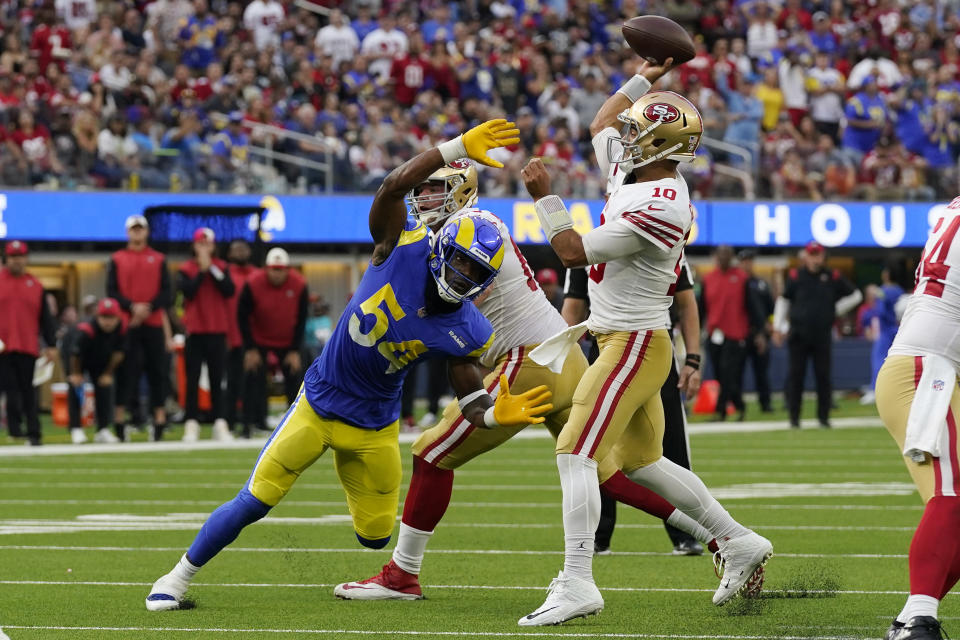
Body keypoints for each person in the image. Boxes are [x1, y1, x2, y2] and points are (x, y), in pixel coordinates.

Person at [144, 119, 553, 611]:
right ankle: (173, 580)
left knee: (376, 539)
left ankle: (355, 494)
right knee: (255, 500)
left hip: (376, 427)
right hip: (318, 404)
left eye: (476, 271)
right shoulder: (398, 248)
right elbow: (391, 186)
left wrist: (490, 414)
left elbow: (466, 386)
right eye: (460, 262)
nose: (464, 276)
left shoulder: (469, 327)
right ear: (442, 249)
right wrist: (457, 147)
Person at [334, 116, 721, 603]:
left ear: (457, 192)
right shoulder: (462, 227)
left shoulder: (468, 227)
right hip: (561, 354)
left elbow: (444, 311)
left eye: (433, 191)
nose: (422, 199)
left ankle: (402, 574)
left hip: (529, 360)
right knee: (610, 475)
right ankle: (720, 538)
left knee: (431, 453)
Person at [516, 69, 771, 625]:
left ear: (660, 145)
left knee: (575, 452)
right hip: (625, 340)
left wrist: (545, 197)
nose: (621, 138)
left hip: (633, 343)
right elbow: (603, 122)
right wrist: (645, 74)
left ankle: (578, 581)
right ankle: (738, 540)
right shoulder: (638, 171)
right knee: (644, 462)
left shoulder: (663, 202)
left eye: (637, 132)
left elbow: (572, 251)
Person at [567, 259, 707, 556]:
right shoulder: (591, 247)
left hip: (653, 343)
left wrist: (692, 359)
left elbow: (686, 303)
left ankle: (689, 531)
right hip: (606, 345)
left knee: (671, 446)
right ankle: (597, 533)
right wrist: (561, 362)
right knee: (593, 446)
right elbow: (573, 308)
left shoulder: (660, 238)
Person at [874, 195, 960, 640]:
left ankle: (911, 617)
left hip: (934, 368)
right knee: (952, 496)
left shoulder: (951, 210)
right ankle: (920, 622)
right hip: (927, 372)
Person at [773, 241, 861, 428]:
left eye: (818, 254)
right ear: (806, 256)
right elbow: (784, 300)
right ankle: (794, 418)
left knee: (823, 376)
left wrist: (834, 310)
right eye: (812, 255)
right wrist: (778, 327)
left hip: (821, 334)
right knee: (796, 376)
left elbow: (856, 295)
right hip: (798, 334)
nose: (815, 258)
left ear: (823, 256)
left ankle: (823, 417)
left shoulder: (832, 276)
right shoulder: (796, 276)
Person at [107, 214, 170, 441]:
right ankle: (121, 421)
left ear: (146, 232)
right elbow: (111, 291)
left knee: (157, 373)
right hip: (128, 325)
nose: (137, 233)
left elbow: (166, 292)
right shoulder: (117, 259)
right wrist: (132, 307)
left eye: (140, 229)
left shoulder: (158, 259)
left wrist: (148, 308)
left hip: (152, 323)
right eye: (133, 229)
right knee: (126, 373)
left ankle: (159, 421)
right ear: (127, 232)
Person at [236, 247, 308, 439]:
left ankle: (296, 425)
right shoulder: (253, 283)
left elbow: (302, 318)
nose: (277, 273)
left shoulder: (299, 284)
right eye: (273, 269)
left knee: (296, 379)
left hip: (287, 339)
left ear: (287, 269)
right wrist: (250, 347)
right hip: (259, 337)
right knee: (252, 377)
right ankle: (247, 424)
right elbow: (242, 316)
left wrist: (294, 349)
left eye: (281, 269)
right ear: (267, 268)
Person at [177, 227, 235, 442]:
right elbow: (188, 291)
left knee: (217, 378)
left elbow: (228, 289)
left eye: (207, 243)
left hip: (217, 330)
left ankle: (220, 421)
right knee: (191, 379)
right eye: (200, 243)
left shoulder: (221, 267)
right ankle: (191, 422)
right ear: (194, 245)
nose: (204, 247)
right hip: (195, 331)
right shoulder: (186, 268)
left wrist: (210, 268)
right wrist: (202, 271)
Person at [0, 240, 57, 446]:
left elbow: (46, 319)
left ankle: (34, 432)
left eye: (20, 256)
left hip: (27, 345)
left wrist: (51, 344)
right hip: (3, 347)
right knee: (10, 391)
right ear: (6, 259)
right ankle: (14, 430)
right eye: (13, 257)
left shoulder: (35, 285)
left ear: (26, 259)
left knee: (29, 392)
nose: (17, 260)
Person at [700, 245, 751, 421]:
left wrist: (755, 331)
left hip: (735, 334)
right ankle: (739, 405)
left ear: (731, 257)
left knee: (728, 372)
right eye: (720, 255)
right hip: (714, 334)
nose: (723, 258)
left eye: (726, 255)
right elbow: (702, 308)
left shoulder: (741, 278)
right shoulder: (708, 279)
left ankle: (721, 410)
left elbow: (751, 307)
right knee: (720, 375)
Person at [67, 298, 125, 445]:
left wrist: (107, 373)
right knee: (75, 386)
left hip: (101, 359)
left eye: (111, 318)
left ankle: (103, 429)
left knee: (104, 386)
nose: (107, 322)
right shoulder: (86, 330)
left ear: (118, 318)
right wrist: (77, 373)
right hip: (78, 358)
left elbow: (119, 354)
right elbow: (75, 354)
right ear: (97, 317)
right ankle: (76, 428)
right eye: (104, 317)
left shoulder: (122, 330)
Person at [224, 239, 256, 435]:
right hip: (228, 335)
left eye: (243, 248)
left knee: (251, 381)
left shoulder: (256, 274)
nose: (240, 252)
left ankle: (251, 421)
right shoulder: (225, 274)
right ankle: (228, 421)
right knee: (230, 381)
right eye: (236, 249)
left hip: (251, 336)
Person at [861, 265, 904, 405]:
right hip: (899, 330)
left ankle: (875, 390)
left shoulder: (883, 291)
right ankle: (895, 390)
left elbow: (879, 311)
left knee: (878, 360)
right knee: (897, 361)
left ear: (887, 275)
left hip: (885, 330)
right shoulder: (900, 291)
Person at [739, 250, 774, 413]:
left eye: (749, 261)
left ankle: (765, 403)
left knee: (762, 371)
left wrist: (768, 328)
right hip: (740, 332)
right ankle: (737, 404)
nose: (747, 264)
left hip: (759, 332)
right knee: (737, 371)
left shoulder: (760, 284)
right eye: (744, 261)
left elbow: (771, 309)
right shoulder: (736, 282)